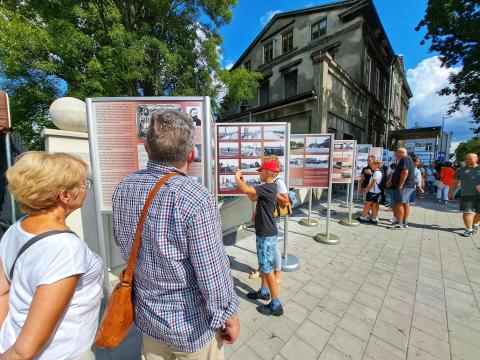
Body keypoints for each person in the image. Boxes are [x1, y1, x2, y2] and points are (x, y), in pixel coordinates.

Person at [112, 110, 239, 359]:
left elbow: (124, 245)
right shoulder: (195, 198)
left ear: (147, 146)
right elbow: (211, 270)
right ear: (191, 154)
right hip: (191, 328)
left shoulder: (123, 188)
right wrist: (228, 315)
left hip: (148, 319)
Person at [0, 152, 103, 360]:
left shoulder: (16, 229)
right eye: (85, 184)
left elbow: (3, 292)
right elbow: (24, 351)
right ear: (65, 195)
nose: (86, 188)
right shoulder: (66, 249)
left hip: (8, 343)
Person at [235, 161, 284, 316]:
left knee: (267, 269)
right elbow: (252, 197)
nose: (259, 173)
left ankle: (276, 305)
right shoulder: (268, 188)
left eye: (261, 171)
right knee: (264, 265)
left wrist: (237, 179)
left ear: (268, 173)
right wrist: (244, 182)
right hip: (265, 232)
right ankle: (263, 291)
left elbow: (245, 190)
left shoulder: (268, 187)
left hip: (266, 234)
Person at [249, 155, 289, 284]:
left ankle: (277, 274)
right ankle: (264, 271)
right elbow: (258, 198)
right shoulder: (266, 181)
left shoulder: (278, 181)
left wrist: (272, 193)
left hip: (272, 220)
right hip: (264, 217)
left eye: (264, 163)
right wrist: (255, 212)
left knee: (274, 248)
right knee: (266, 251)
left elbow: (286, 201)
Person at [448, 153, 480, 237]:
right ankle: (469, 229)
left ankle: (475, 224)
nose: (467, 160)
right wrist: (450, 193)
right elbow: (454, 183)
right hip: (467, 195)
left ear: (477, 159)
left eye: (470, 158)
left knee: (479, 212)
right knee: (467, 212)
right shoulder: (460, 170)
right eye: (466, 158)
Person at [387, 148, 416, 230]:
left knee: (398, 203)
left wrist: (400, 185)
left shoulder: (404, 159)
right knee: (405, 203)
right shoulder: (408, 159)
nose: (395, 155)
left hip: (405, 186)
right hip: (408, 185)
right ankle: (404, 222)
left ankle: (399, 224)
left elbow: (405, 172)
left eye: (396, 153)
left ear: (401, 153)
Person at [357, 160, 383, 225]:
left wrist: (367, 189)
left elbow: (373, 182)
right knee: (373, 205)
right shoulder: (376, 172)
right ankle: (374, 219)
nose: (371, 166)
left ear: (376, 165)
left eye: (372, 165)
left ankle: (363, 217)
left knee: (367, 204)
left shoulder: (377, 172)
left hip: (372, 191)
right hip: (375, 191)